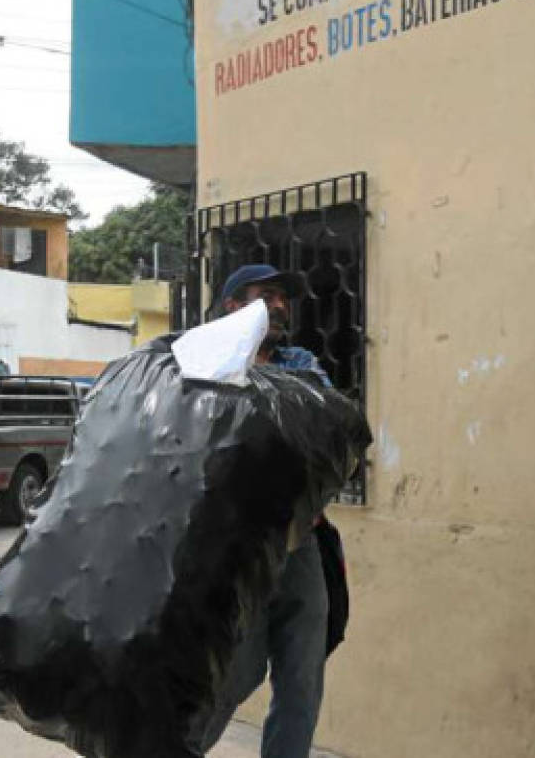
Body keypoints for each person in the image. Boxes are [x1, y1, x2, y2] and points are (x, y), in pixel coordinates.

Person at [203, 263, 335, 758]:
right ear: (234, 306)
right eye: (267, 295)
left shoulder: (299, 360)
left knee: (302, 678)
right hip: (235, 548)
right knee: (235, 674)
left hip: (301, 541)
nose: (281, 305)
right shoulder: (199, 358)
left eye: (284, 297)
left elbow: (323, 419)